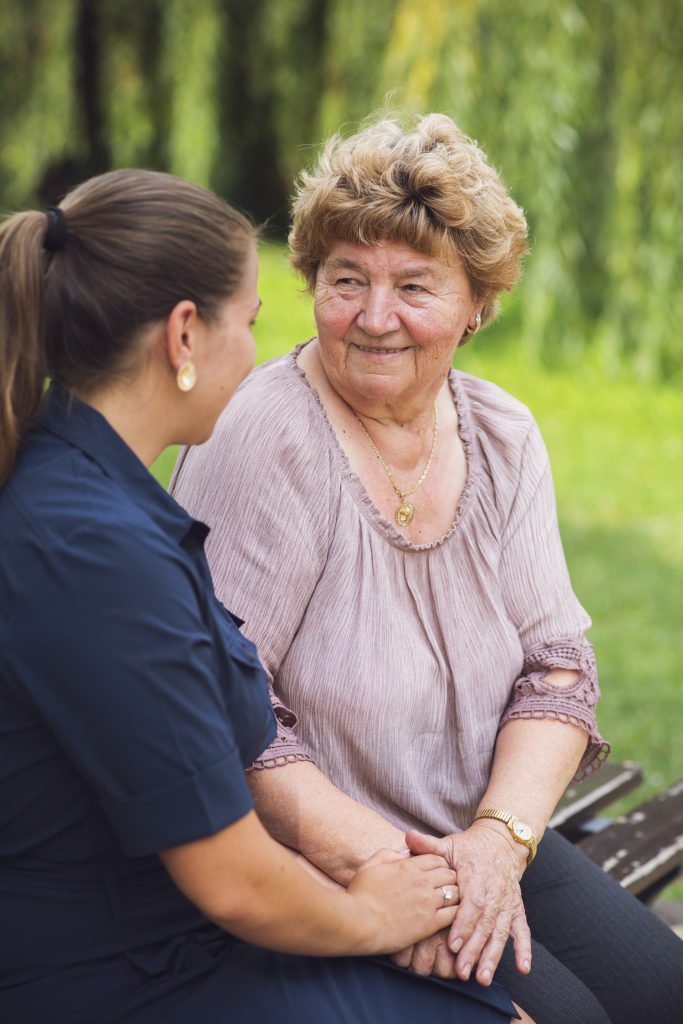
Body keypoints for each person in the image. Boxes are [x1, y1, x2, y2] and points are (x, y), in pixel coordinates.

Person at [171, 114, 683, 1024]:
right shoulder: (268, 435)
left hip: (472, 826)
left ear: (477, 302)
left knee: (661, 989)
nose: (374, 317)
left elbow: (556, 669)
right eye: (345, 281)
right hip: (317, 858)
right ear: (312, 284)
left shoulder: (501, 436)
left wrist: (496, 841)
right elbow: (225, 711)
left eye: (413, 285)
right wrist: (393, 872)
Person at [0, 169, 525, 1023]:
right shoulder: (90, 548)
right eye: (247, 323)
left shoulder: (93, 493)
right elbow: (233, 880)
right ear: (183, 336)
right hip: (121, 971)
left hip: (176, 936)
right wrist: (372, 912)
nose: (256, 352)